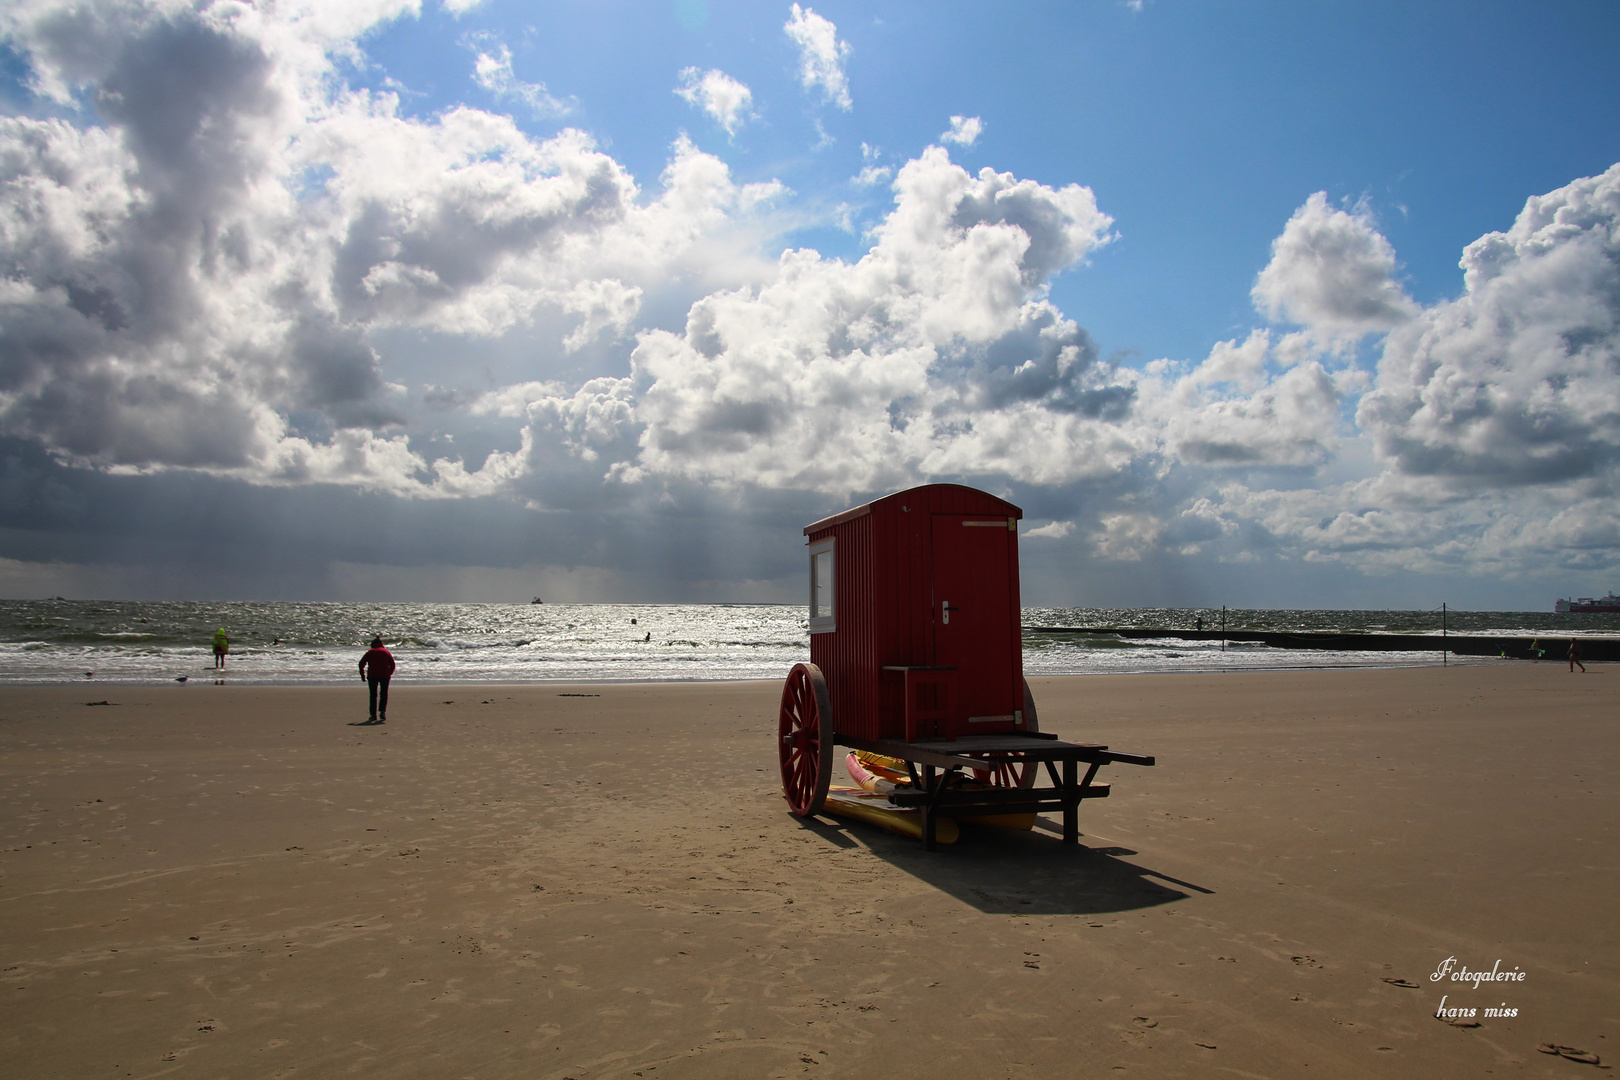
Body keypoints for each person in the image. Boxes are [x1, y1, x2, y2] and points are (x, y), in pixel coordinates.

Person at [358, 637, 395, 724]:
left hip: (372, 675)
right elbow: (392, 664)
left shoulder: (370, 652)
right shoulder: (386, 652)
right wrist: (390, 673)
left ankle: (373, 715)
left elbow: (361, 664)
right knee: (384, 694)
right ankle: (382, 712)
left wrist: (362, 675)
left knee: (373, 695)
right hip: (385, 675)